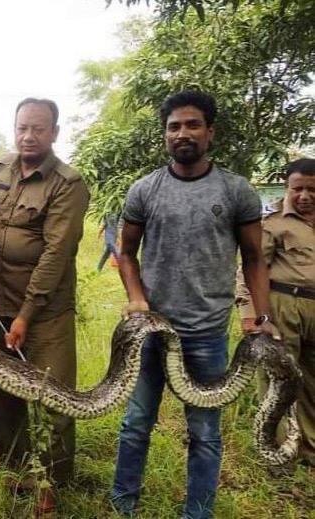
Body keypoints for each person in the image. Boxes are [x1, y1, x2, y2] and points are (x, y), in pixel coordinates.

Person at [110, 90, 276, 519]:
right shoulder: (145, 189)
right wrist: (137, 300)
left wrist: (263, 317)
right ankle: (122, 505)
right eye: (173, 127)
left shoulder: (237, 190)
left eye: (192, 124)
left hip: (206, 333)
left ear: (209, 132)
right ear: (165, 135)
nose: (182, 133)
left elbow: (255, 258)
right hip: (150, 330)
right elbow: (125, 252)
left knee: (204, 431)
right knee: (135, 424)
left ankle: (197, 513)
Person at [0, 97, 89, 516]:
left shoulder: (67, 183)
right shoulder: (1, 170)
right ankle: (17, 474)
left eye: (38, 129)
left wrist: (24, 315)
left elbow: (56, 255)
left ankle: (51, 486)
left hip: (46, 313)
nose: (28, 136)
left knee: (53, 399)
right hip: (0, 305)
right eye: (22, 127)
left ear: (54, 133)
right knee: (1, 394)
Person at [236, 157, 315, 470]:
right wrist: (251, 314)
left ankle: (308, 450)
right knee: (277, 382)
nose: (305, 196)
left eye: (312, 189)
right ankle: (277, 455)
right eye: (298, 189)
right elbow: (251, 266)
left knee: (311, 382)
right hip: (283, 306)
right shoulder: (272, 222)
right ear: (287, 188)